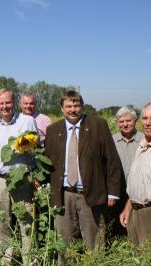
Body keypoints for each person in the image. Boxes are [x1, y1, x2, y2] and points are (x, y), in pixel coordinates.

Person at [44, 90, 122, 264]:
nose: (73, 109)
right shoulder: (53, 129)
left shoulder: (98, 125)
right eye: (68, 106)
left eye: (76, 105)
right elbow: (47, 162)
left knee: (94, 242)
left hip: (91, 194)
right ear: (62, 108)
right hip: (63, 195)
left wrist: (113, 192)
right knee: (64, 244)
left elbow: (112, 160)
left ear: (82, 106)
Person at [0, 88, 38, 265]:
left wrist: (35, 175)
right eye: (1, 103)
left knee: (26, 221)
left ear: (14, 103)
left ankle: (29, 259)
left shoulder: (27, 121)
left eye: (8, 102)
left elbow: (35, 151)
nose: (5, 106)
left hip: (22, 179)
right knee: (1, 221)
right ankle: (6, 259)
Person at [119, 101, 151, 246]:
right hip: (135, 214)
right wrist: (128, 208)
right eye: (145, 118)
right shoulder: (141, 146)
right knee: (138, 258)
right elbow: (138, 182)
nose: (147, 123)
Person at [110, 106, 143, 235]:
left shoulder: (144, 140)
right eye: (121, 121)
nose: (125, 124)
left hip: (139, 190)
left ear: (135, 121)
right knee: (117, 223)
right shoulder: (111, 140)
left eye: (128, 121)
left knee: (137, 223)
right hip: (118, 189)